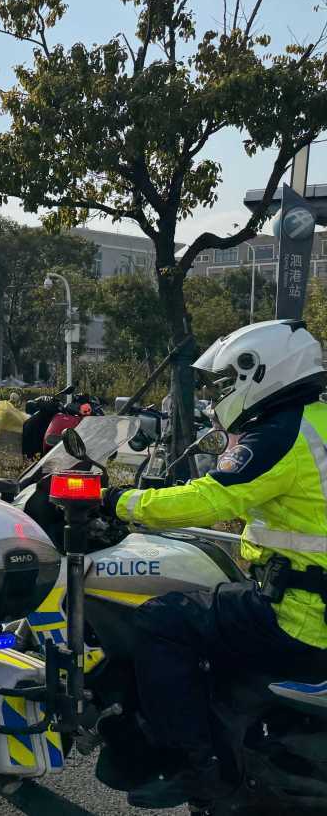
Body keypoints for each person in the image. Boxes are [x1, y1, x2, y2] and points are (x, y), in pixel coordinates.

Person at [103, 319, 327, 809]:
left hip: (301, 618)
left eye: (226, 383)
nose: (220, 394)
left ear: (261, 372)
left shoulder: (279, 433)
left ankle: (191, 765)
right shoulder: (319, 423)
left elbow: (212, 499)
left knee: (160, 622)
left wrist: (117, 501)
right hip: (318, 603)